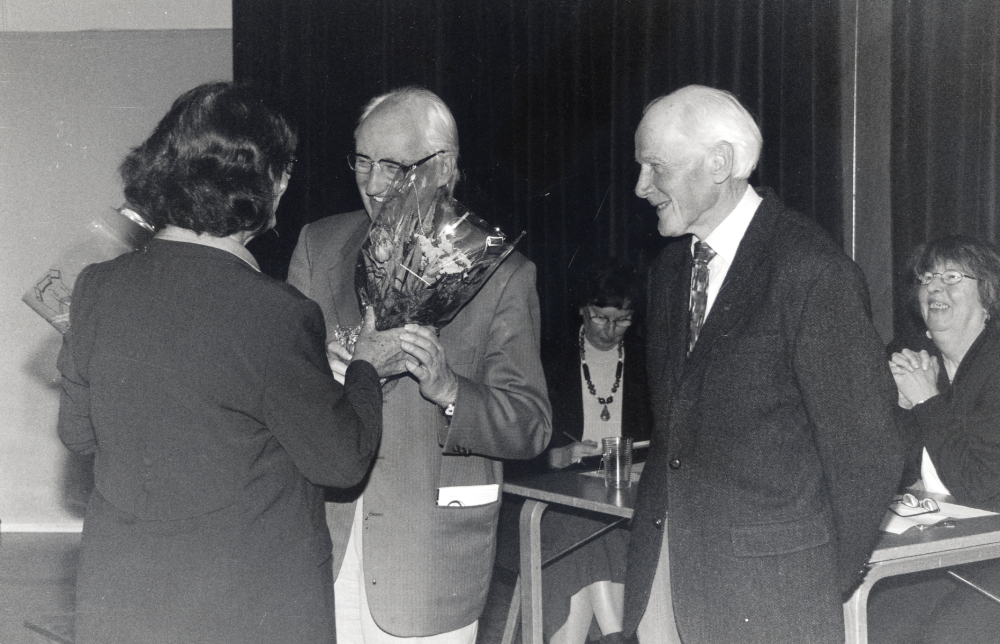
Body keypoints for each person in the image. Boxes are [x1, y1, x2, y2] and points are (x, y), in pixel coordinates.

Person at [56, 81, 402, 644]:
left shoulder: (96, 286)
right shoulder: (276, 312)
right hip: (244, 606)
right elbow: (340, 463)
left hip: (123, 595)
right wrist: (364, 368)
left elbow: (77, 433)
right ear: (273, 183)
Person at [623, 84, 903, 644]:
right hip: (663, 578)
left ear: (719, 162)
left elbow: (869, 451)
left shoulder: (811, 271)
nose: (641, 187)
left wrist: (816, 579)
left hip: (770, 596)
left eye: (656, 167)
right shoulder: (671, 270)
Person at [287, 86, 551, 643]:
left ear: (445, 168)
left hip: (431, 566)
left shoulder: (504, 274)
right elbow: (283, 394)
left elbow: (531, 426)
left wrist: (449, 387)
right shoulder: (317, 245)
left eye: (393, 166)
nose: (373, 183)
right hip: (322, 550)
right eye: (362, 161)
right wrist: (321, 377)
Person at [868, 235, 1000, 644]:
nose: (935, 287)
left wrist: (926, 400)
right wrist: (902, 410)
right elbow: (884, 472)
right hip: (934, 547)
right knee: (875, 621)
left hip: (992, 554)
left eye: (952, 276)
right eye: (927, 278)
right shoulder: (909, 355)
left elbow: (981, 485)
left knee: (946, 635)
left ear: (987, 296)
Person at [538, 259, 652, 644]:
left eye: (623, 320)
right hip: (563, 494)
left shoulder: (645, 359)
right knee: (584, 527)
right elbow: (518, 439)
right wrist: (552, 456)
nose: (611, 330)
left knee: (588, 533)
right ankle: (616, 635)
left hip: (628, 494)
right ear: (583, 310)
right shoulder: (549, 359)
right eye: (601, 318)